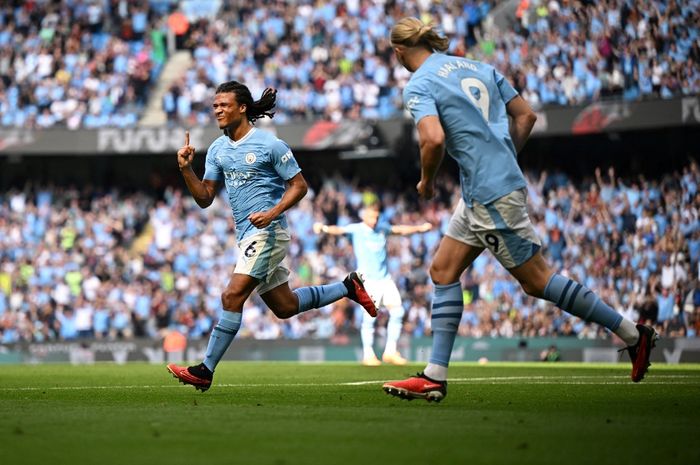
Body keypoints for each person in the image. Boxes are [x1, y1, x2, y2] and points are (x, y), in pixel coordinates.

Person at [382, 18, 658, 403]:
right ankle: (435, 375)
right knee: (443, 270)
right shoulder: (479, 66)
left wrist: (427, 180)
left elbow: (432, 139)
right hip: (483, 191)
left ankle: (633, 334)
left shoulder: (421, 82)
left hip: (490, 193)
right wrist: (503, 157)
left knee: (538, 281)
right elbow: (526, 115)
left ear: (398, 51)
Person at [166, 81, 377, 391]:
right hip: (247, 236)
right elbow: (205, 197)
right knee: (285, 306)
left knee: (231, 296)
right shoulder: (217, 150)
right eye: (214, 106)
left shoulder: (269, 145)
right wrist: (186, 170)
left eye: (223, 105)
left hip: (268, 232)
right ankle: (347, 286)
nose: (217, 110)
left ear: (242, 108)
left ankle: (205, 370)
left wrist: (272, 212)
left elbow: (299, 186)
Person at [314, 201, 432, 366]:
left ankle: (390, 351)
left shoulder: (382, 228)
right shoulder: (357, 229)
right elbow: (339, 230)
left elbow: (399, 230)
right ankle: (368, 354)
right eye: (371, 216)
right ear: (364, 215)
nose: (374, 220)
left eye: (377, 216)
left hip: (385, 279)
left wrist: (419, 228)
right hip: (367, 280)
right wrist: (324, 228)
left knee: (397, 311)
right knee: (370, 316)